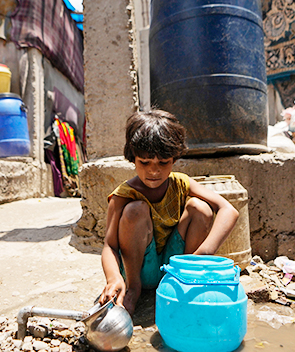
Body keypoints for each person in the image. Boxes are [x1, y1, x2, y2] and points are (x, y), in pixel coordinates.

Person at [99, 109, 240, 315]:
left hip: (176, 268)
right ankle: (133, 291)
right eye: (144, 162)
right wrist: (114, 279)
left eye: (163, 163)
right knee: (135, 210)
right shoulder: (123, 195)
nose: (153, 171)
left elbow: (229, 210)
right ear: (133, 158)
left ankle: (184, 283)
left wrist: (201, 257)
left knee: (200, 207)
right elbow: (109, 246)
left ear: (174, 158)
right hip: (137, 270)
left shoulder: (181, 183)